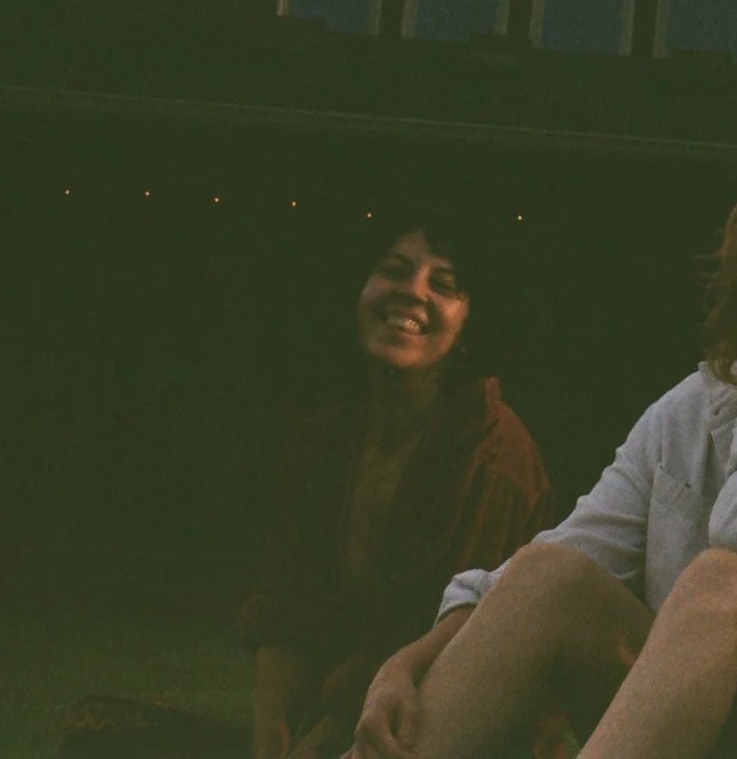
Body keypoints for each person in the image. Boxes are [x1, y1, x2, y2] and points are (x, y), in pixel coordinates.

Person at [351, 156, 737, 759]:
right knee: (551, 572)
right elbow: (569, 551)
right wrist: (410, 660)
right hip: (708, 716)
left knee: (723, 583)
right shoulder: (703, 401)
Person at [236, 215, 555, 759]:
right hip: (333, 724)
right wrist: (271, 730)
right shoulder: (327, 437)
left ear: (469, 327)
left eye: (445, 285)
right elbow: (288, 602)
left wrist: (328, 736)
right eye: (395, 271)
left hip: (440, 732)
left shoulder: (494, 452)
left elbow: (440, 640)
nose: (412, 292)